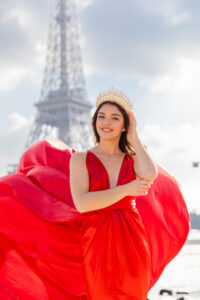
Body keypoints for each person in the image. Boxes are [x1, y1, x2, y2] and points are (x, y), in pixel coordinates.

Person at [0, 87, 190, 300]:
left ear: (124, 125)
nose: (106, 122)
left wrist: (134, 137)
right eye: (102, 117)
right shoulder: (81, 159)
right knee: (100, 293)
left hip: (132, 234)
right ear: (94, 121)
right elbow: (82, 203)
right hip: (97, 234)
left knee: (135, 293)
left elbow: (150, 173)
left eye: (114, 118)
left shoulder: (132, 158)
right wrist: (125, 190)